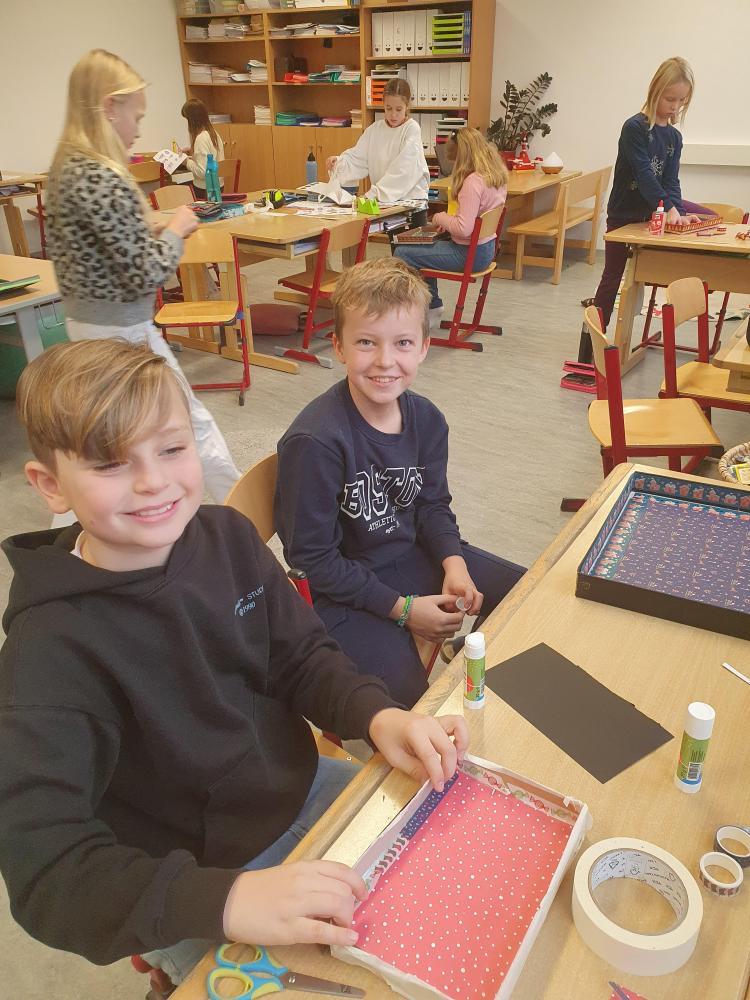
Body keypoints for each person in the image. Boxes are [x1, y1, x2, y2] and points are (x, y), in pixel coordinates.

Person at [0, 337, 468, 988]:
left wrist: (377, 715)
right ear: (51, 485)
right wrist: (227, 901)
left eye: (171, 449)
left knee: (448, 890)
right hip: (190, 879)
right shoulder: (49, 650)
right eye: (110, 464)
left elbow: (301, 656)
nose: (154, 481)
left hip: (301, 788)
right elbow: (46, 872)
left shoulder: (226, 537)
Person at [275, 258, 525, 708]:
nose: (385, 361)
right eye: (366, 342)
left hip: (409, 555)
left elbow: (432, 506)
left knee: (527, 597)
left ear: (424, 347)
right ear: (339, 346)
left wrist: (453, 562)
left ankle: (468, 664)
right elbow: (312, 560)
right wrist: (404, 610)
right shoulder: (315, 442)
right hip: (343, 593)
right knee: (415, 711)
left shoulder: (427, 419)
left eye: (403, 343)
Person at [46, 49, 240, 503]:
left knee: (104, 436)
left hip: (89, 324)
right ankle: (245, 516)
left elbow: (100, 246)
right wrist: (175, 230)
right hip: (122, 331)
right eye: (136, 116)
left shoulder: (67, 168)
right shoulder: (102, 175)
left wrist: (145, 227)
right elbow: (144, 273)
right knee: (188, 425)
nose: (137, 130)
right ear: (109, 108)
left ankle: (81, 528)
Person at [585, 56, 709, 329]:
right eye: (670, 99)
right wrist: (670, 209)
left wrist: (680, 212)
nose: (675, 106)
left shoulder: (674, 137)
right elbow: (645, 177)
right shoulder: (634, 128)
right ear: (655, 92)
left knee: (707, 218)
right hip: (624, 214)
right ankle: (593, 336)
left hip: (653, 213)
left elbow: (671, 181)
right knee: (613, 275)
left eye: (681, 101)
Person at [394, 127, 507, 328]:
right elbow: (473, 219)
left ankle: (427, 307)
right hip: (487, 249)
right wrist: (450, 223)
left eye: (455, 161)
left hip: (469, 254)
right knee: (422, 250)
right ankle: (431, 306)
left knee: (403, 252)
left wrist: (440, 218)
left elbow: (463, 229)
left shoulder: (472, 182)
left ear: (462, 157)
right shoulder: (494, 175)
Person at [327, 78, 430, 225]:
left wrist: (374, 194)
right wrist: (339, 162)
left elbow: (403, 171)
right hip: (385, 204)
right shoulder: (375, 130)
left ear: (407, 106)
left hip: (411, 205)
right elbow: (358, 158)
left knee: (406, 242)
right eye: (388, 108)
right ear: (383, 105)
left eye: (398, 109)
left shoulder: (411, 129)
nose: (393, 115)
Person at [181, 97, 225, 198]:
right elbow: (210, 156)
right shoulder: (213, 133)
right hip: (219, 186)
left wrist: (186, 162)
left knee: (174, 190)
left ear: (192, 120)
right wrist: (193, 152)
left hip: (206, 189)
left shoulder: (200, 138)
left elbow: (202, 172)